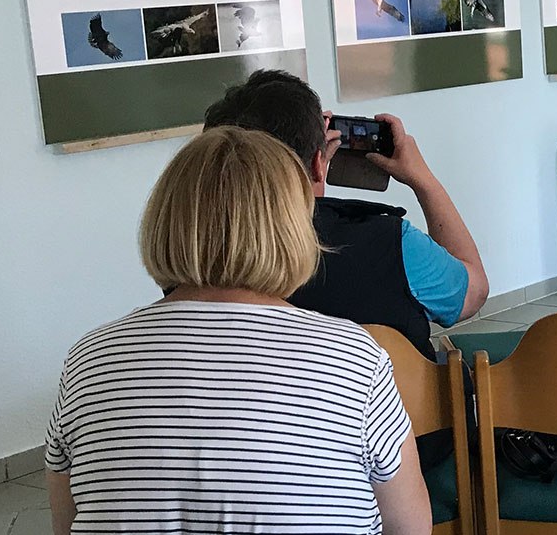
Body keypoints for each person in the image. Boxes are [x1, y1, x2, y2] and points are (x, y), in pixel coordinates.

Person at [45, 127, 431, 533]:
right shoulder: (355, 358)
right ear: (295, 230)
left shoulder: (87, 360)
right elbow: (410, 527)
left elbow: (66, 522)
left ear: (164, 222)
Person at [205, 70, 487, 359]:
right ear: (318, 162)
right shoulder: (392, 244)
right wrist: (424, 180)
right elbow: (473, 293)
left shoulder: (192, 256)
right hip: (397, 403)